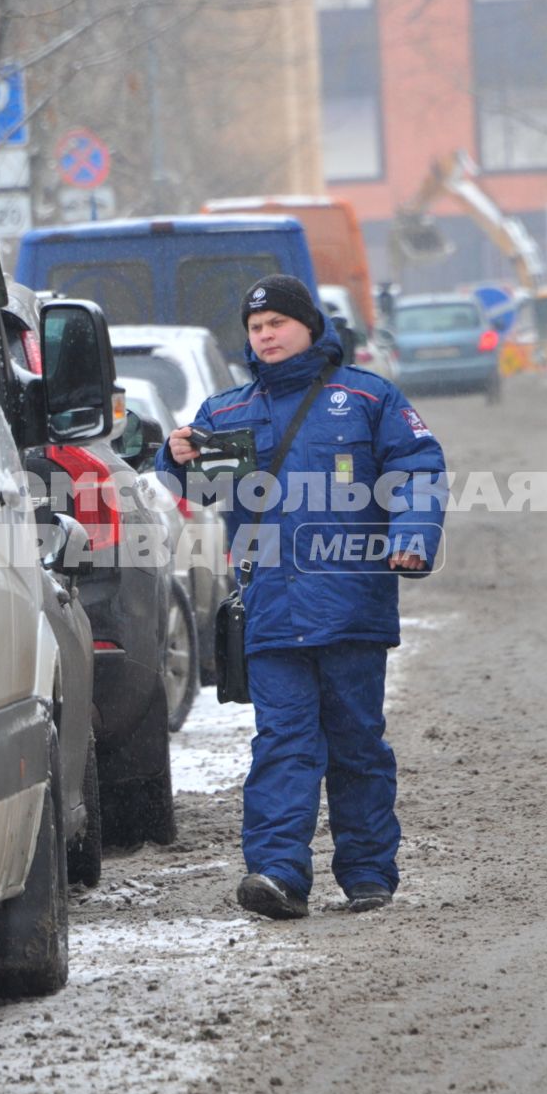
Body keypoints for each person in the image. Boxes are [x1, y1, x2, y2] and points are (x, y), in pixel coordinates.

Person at [156, 274, 446, 920]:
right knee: (282, 742)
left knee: (355, 743)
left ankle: (368, 873)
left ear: (308, 327)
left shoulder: (368, 399)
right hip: (272, 610)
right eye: (256, 329)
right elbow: (197, 495)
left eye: (276, 325)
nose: (265, 337)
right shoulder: (225, 413)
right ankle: (278, 875)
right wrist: (173, 457)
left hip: (352, 606)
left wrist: (413, 536)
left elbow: (419, 470)